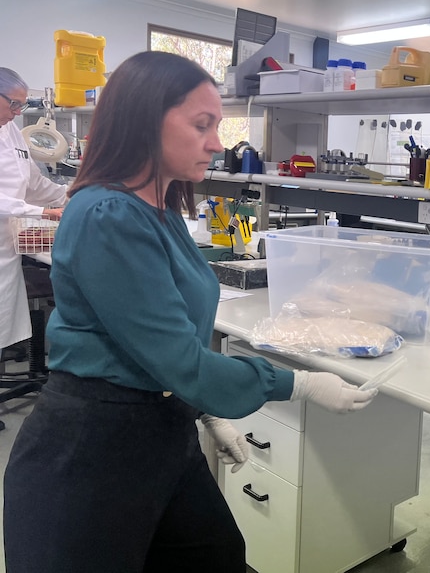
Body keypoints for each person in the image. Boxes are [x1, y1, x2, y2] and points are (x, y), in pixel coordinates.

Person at [4, 51, 376, 573]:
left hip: (162, 431)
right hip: (92, 448)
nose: (218, 143)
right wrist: (299, 385)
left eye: (217, 125)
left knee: (218, 557)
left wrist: (203, 408)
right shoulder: (107, 214)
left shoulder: (162, 210)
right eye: (202, 125)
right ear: (143, 122)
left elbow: (165, 336)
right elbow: (175, 356)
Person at [0, 68, 66, 359]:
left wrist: (71, 195)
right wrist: (42, 212)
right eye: (12, 103)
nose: (16, 112)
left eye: (21, 105)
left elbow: (33, 182)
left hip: (6, 242)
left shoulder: (11, 129)